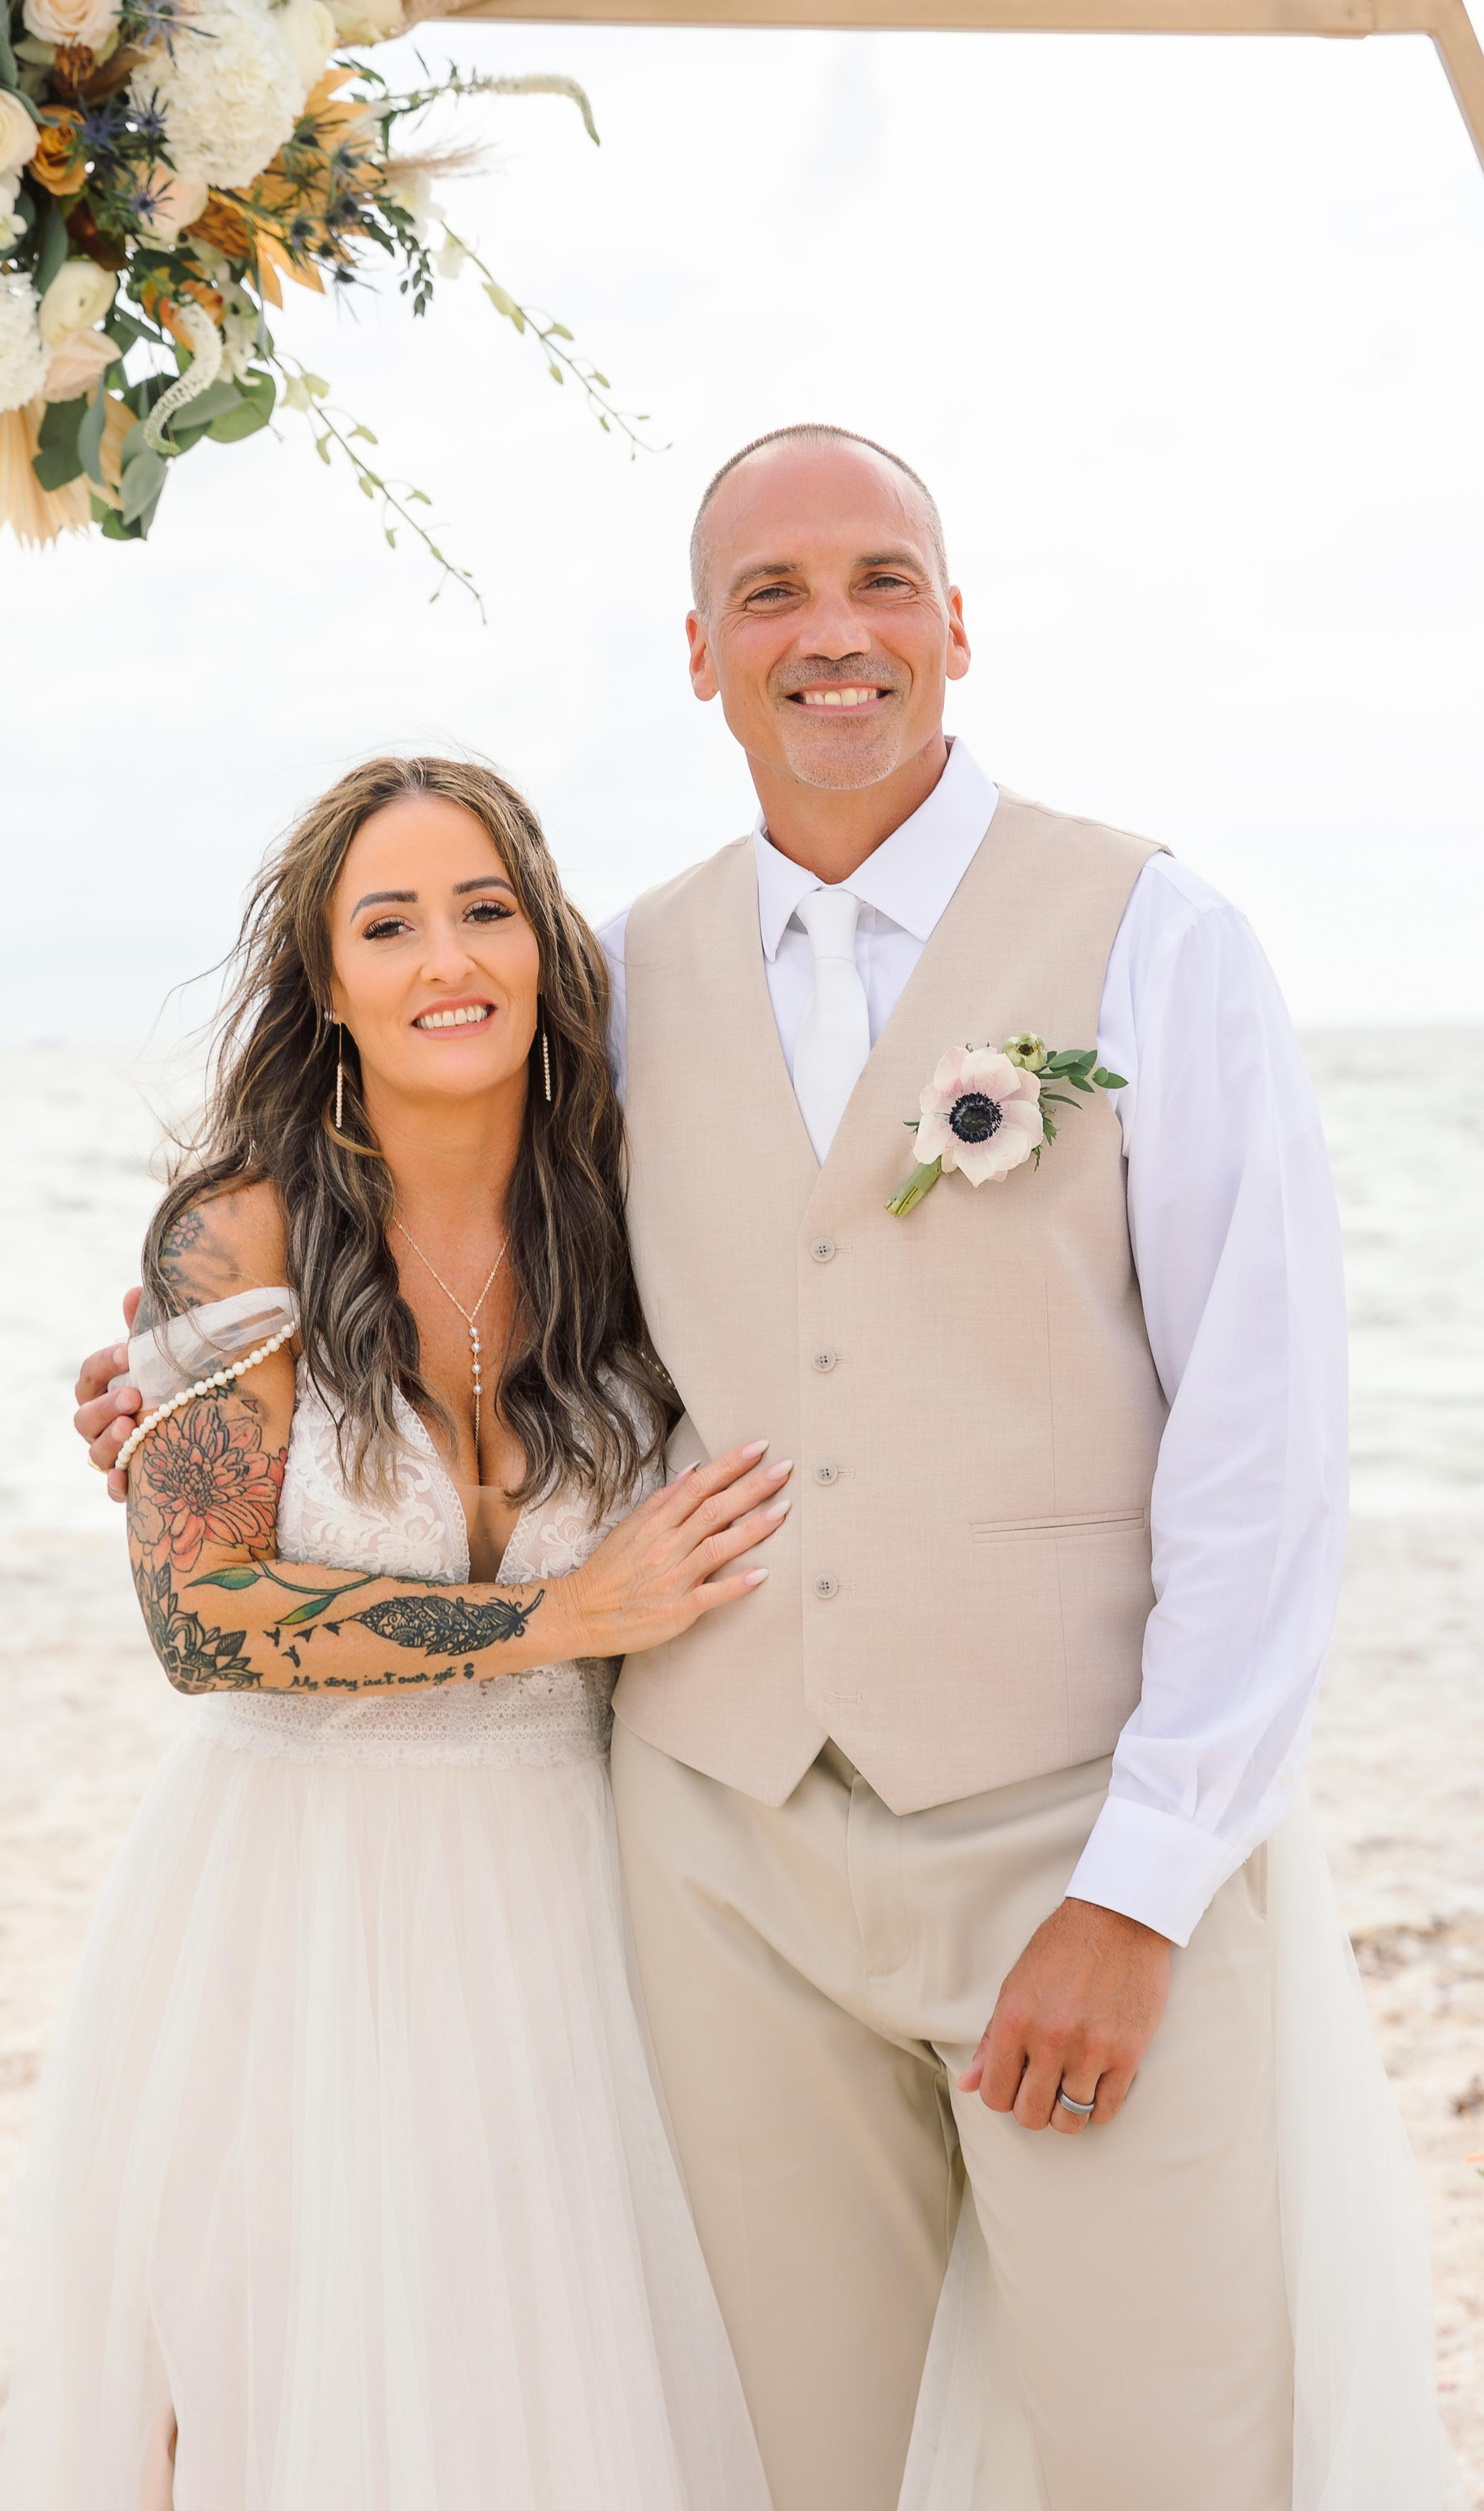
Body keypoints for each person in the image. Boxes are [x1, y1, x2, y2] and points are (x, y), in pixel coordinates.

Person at [76, 428, 1458, 2511]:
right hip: (715, 1863)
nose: (835, 632)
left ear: (957, 624)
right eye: (774, 594)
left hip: (1066, 1837)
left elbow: (1263, 1458)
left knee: (1169, 2451)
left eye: (883, 578)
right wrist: (180, 1381)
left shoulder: (1155, 940)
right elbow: (484, 1271)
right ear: (701, 653)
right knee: (777, 2462)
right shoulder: (623, 986)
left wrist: (1147, 1883)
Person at [0, 757, 781, 2510]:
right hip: (288, 1900)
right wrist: (559, 1612)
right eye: (388, 925)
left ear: (548, 946)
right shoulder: (235, 1232)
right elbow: (199, 1614)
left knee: (546, 2379)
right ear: (327, 985)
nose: (446, 960)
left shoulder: (636, 1218)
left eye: (485, 910)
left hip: (574, 1887)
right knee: (273, 2374)